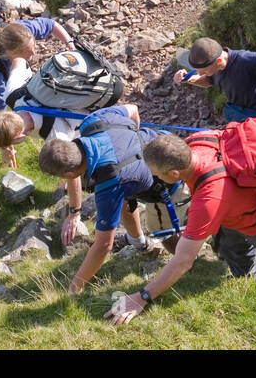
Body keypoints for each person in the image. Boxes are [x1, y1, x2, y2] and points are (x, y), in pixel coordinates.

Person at [106, 132, 256, 326]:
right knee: (230, 247)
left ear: (174, 174)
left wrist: (142, 296)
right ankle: (247, 282)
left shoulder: (208, 199)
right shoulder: (198, 141)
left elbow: (183, 260)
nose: (154, 177)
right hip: (235, 213)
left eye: (157, 174)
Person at [37, 103, 169, 293]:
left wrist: (75, 286)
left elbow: (103, 245)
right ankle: (139, 242)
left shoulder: (109, 184)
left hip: (170, 179)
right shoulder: (94, 120)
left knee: (172, 234)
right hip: (165, 140)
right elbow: (133, 109)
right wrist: (133, 144)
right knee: (124, 199)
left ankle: (186, 260)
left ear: (69, 173)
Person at [0, 107, 85, 246]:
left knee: (75, 167)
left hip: (88, 121)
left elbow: (72, 171)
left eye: (12, 142)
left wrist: (74, 213)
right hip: (64, 106)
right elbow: (3, 121)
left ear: (20, 137)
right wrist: (6, 146)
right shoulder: (16, 97)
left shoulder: (57, 137)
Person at [174, 36, 256, 123]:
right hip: (245, 120)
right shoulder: (215, 67)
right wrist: (188, 79)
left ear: (219, 60)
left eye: (203, 70)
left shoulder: (247, 60)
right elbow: (207, 81)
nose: (200, 73)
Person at [0, 17, 74, 124]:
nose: (34, 54)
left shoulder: (23, 33)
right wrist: (4, 129)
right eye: (28, 52)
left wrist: (69, 42)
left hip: (12, 67)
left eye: (34, 46)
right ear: (12, 53)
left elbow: (50, 25)